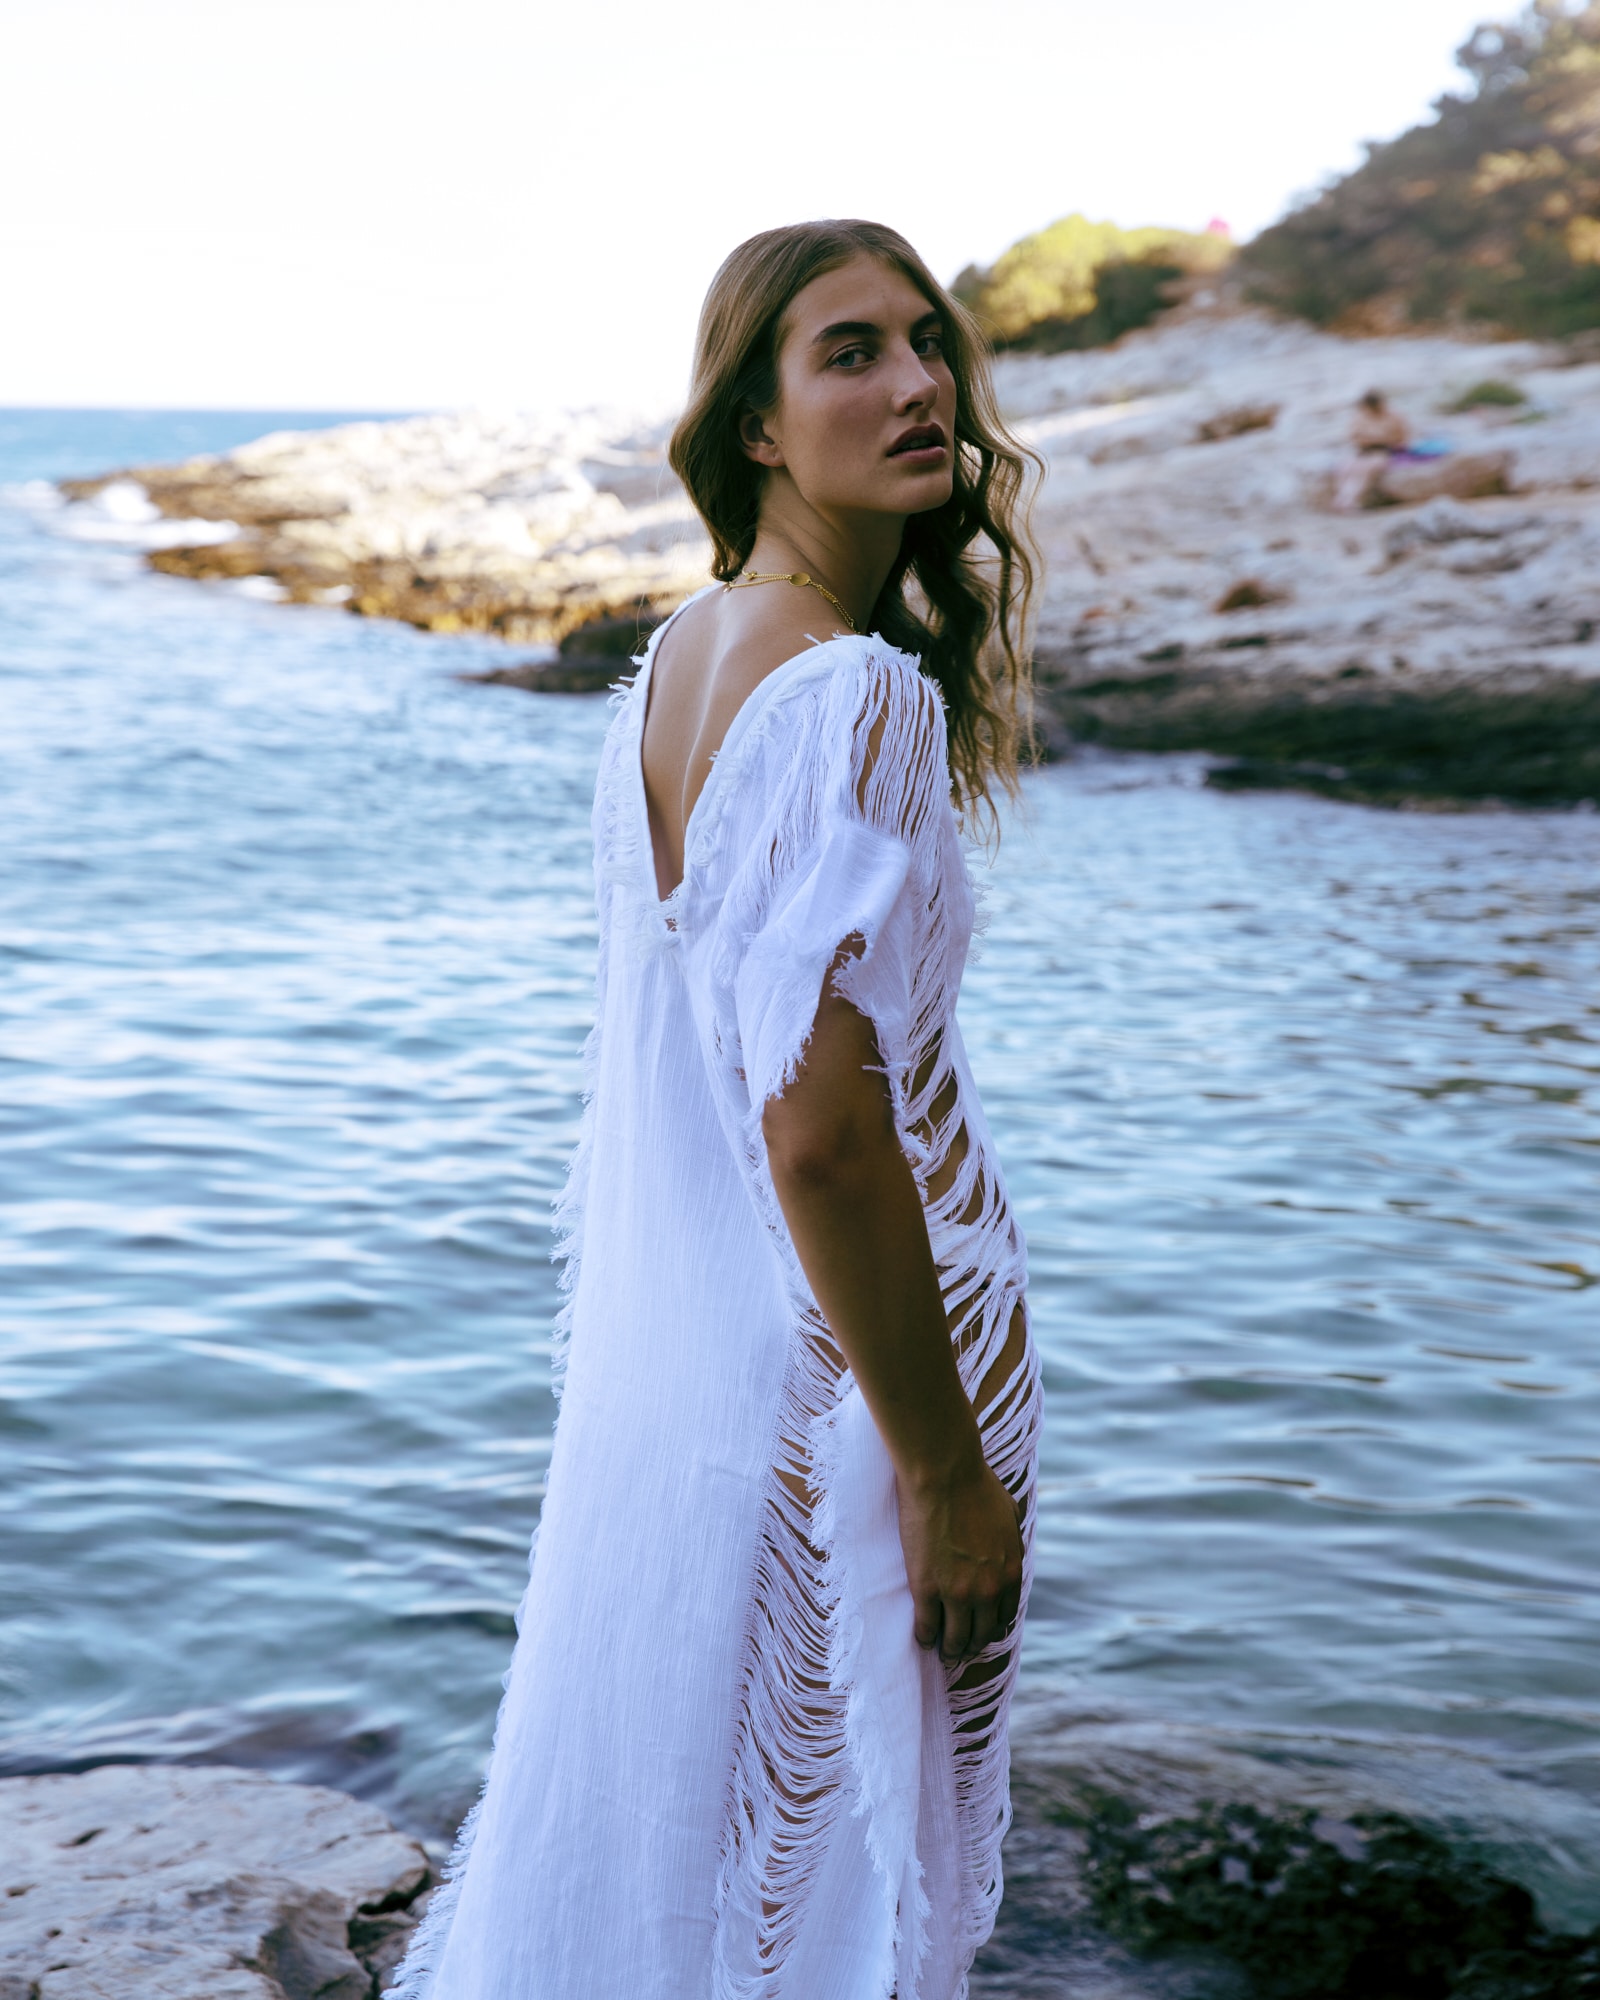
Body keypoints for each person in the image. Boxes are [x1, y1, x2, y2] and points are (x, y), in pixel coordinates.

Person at [392, 219, 1044, 2000]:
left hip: (696, 1386)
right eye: (849, 353)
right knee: (825, 1910)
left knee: (681, 1868)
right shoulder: (846, 688)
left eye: (930, 343)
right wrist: (944, 1466)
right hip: (830, 1407)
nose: (918, 386)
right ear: (755, 421)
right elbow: (817, 1127)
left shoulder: (685, 658)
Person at [1333, 389, 1413, 511]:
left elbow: (1401, 439)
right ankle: (1342, 497)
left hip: (1385, 451)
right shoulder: (1360, 417)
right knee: (1346, 468)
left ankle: (1352, 499)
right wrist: (1374, 438)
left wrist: (1378, 439)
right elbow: (1355, 437)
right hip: (1364, 451)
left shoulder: (1394, 416)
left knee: (1366, 470)